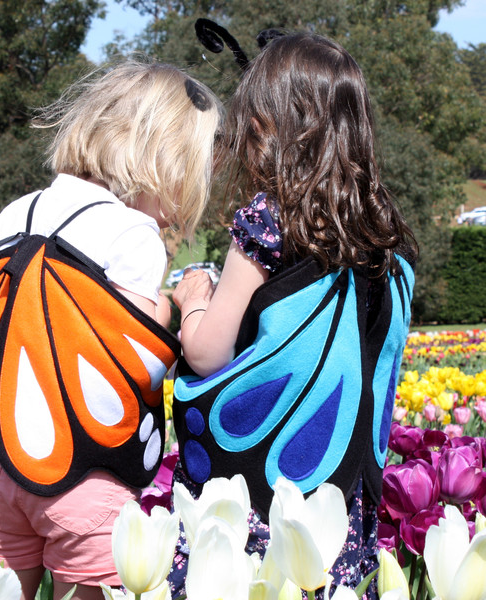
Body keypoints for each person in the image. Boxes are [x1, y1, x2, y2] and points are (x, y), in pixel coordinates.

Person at [0, 61, 222, 600]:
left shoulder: (3, 221)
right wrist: (180, 306)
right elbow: (136, 355)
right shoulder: (131, 233)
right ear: (159, 163)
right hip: (83, 471)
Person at [169, 32, 418, 598]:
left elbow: (209, 352)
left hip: (265, 490)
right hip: (343, 488)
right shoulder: (381, 234)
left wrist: (194, 301)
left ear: (263, 126)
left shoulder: (269, 219)